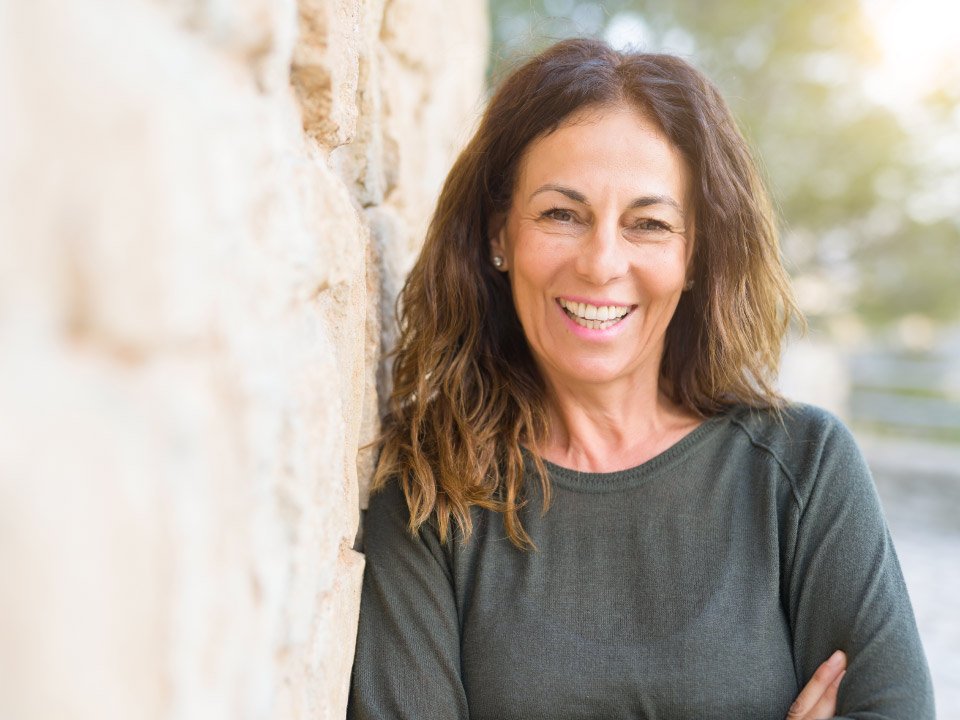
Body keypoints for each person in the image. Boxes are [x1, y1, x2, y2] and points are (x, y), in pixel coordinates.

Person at [347, 38, 935, 719]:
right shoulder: (430, 489)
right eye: (561, 214)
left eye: (648, 223)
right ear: (497, 235)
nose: (601, 263)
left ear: (694, 256)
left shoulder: (799, 469)